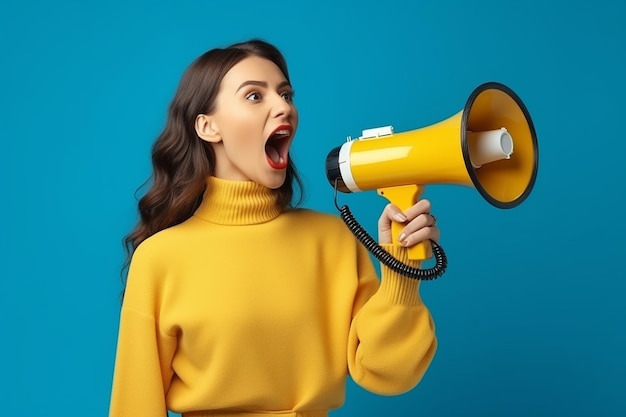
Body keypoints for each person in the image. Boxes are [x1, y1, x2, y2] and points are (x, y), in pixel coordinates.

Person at [109, 38, 440, 417]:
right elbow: (134, 406)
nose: (283, 107)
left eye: (286, 94)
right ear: (208, 126)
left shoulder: (332, 241)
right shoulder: (160, 258)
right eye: (254, 96)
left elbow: (390, 374)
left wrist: (401, 267)